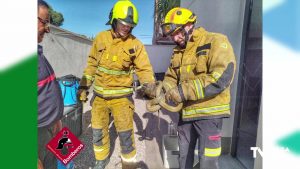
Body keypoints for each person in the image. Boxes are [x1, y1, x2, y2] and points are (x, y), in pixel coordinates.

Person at [77, 0, 156, 168]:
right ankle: (101, 159)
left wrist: (150, 87)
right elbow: (91, 64)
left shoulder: (136, 44)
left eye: (130, 25)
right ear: (113, 19)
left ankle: (128, 165)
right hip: (99, 99)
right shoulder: (100, 38)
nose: (127, 27)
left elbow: (144, 69)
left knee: (126, 136)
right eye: (123, 23)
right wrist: (84, 86)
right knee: (98, 132)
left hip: (122, 100)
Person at [161, 7, 236, 169]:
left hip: (210, 115)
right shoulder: (178, 51)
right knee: (183, 158)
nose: (175, 38)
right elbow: (171, 77)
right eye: (172, 35)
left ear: (189, 25)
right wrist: (162, 89)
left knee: (207, 162)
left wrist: (182, 91)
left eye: (178, 32)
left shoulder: (215, 41)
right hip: (186, 115)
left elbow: (222, 77)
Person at [38, 0, 63, 169]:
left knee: (60, 161)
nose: (48, 28)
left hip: (51, 127)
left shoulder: (36, 52)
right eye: (44, 21)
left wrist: (57, 119)